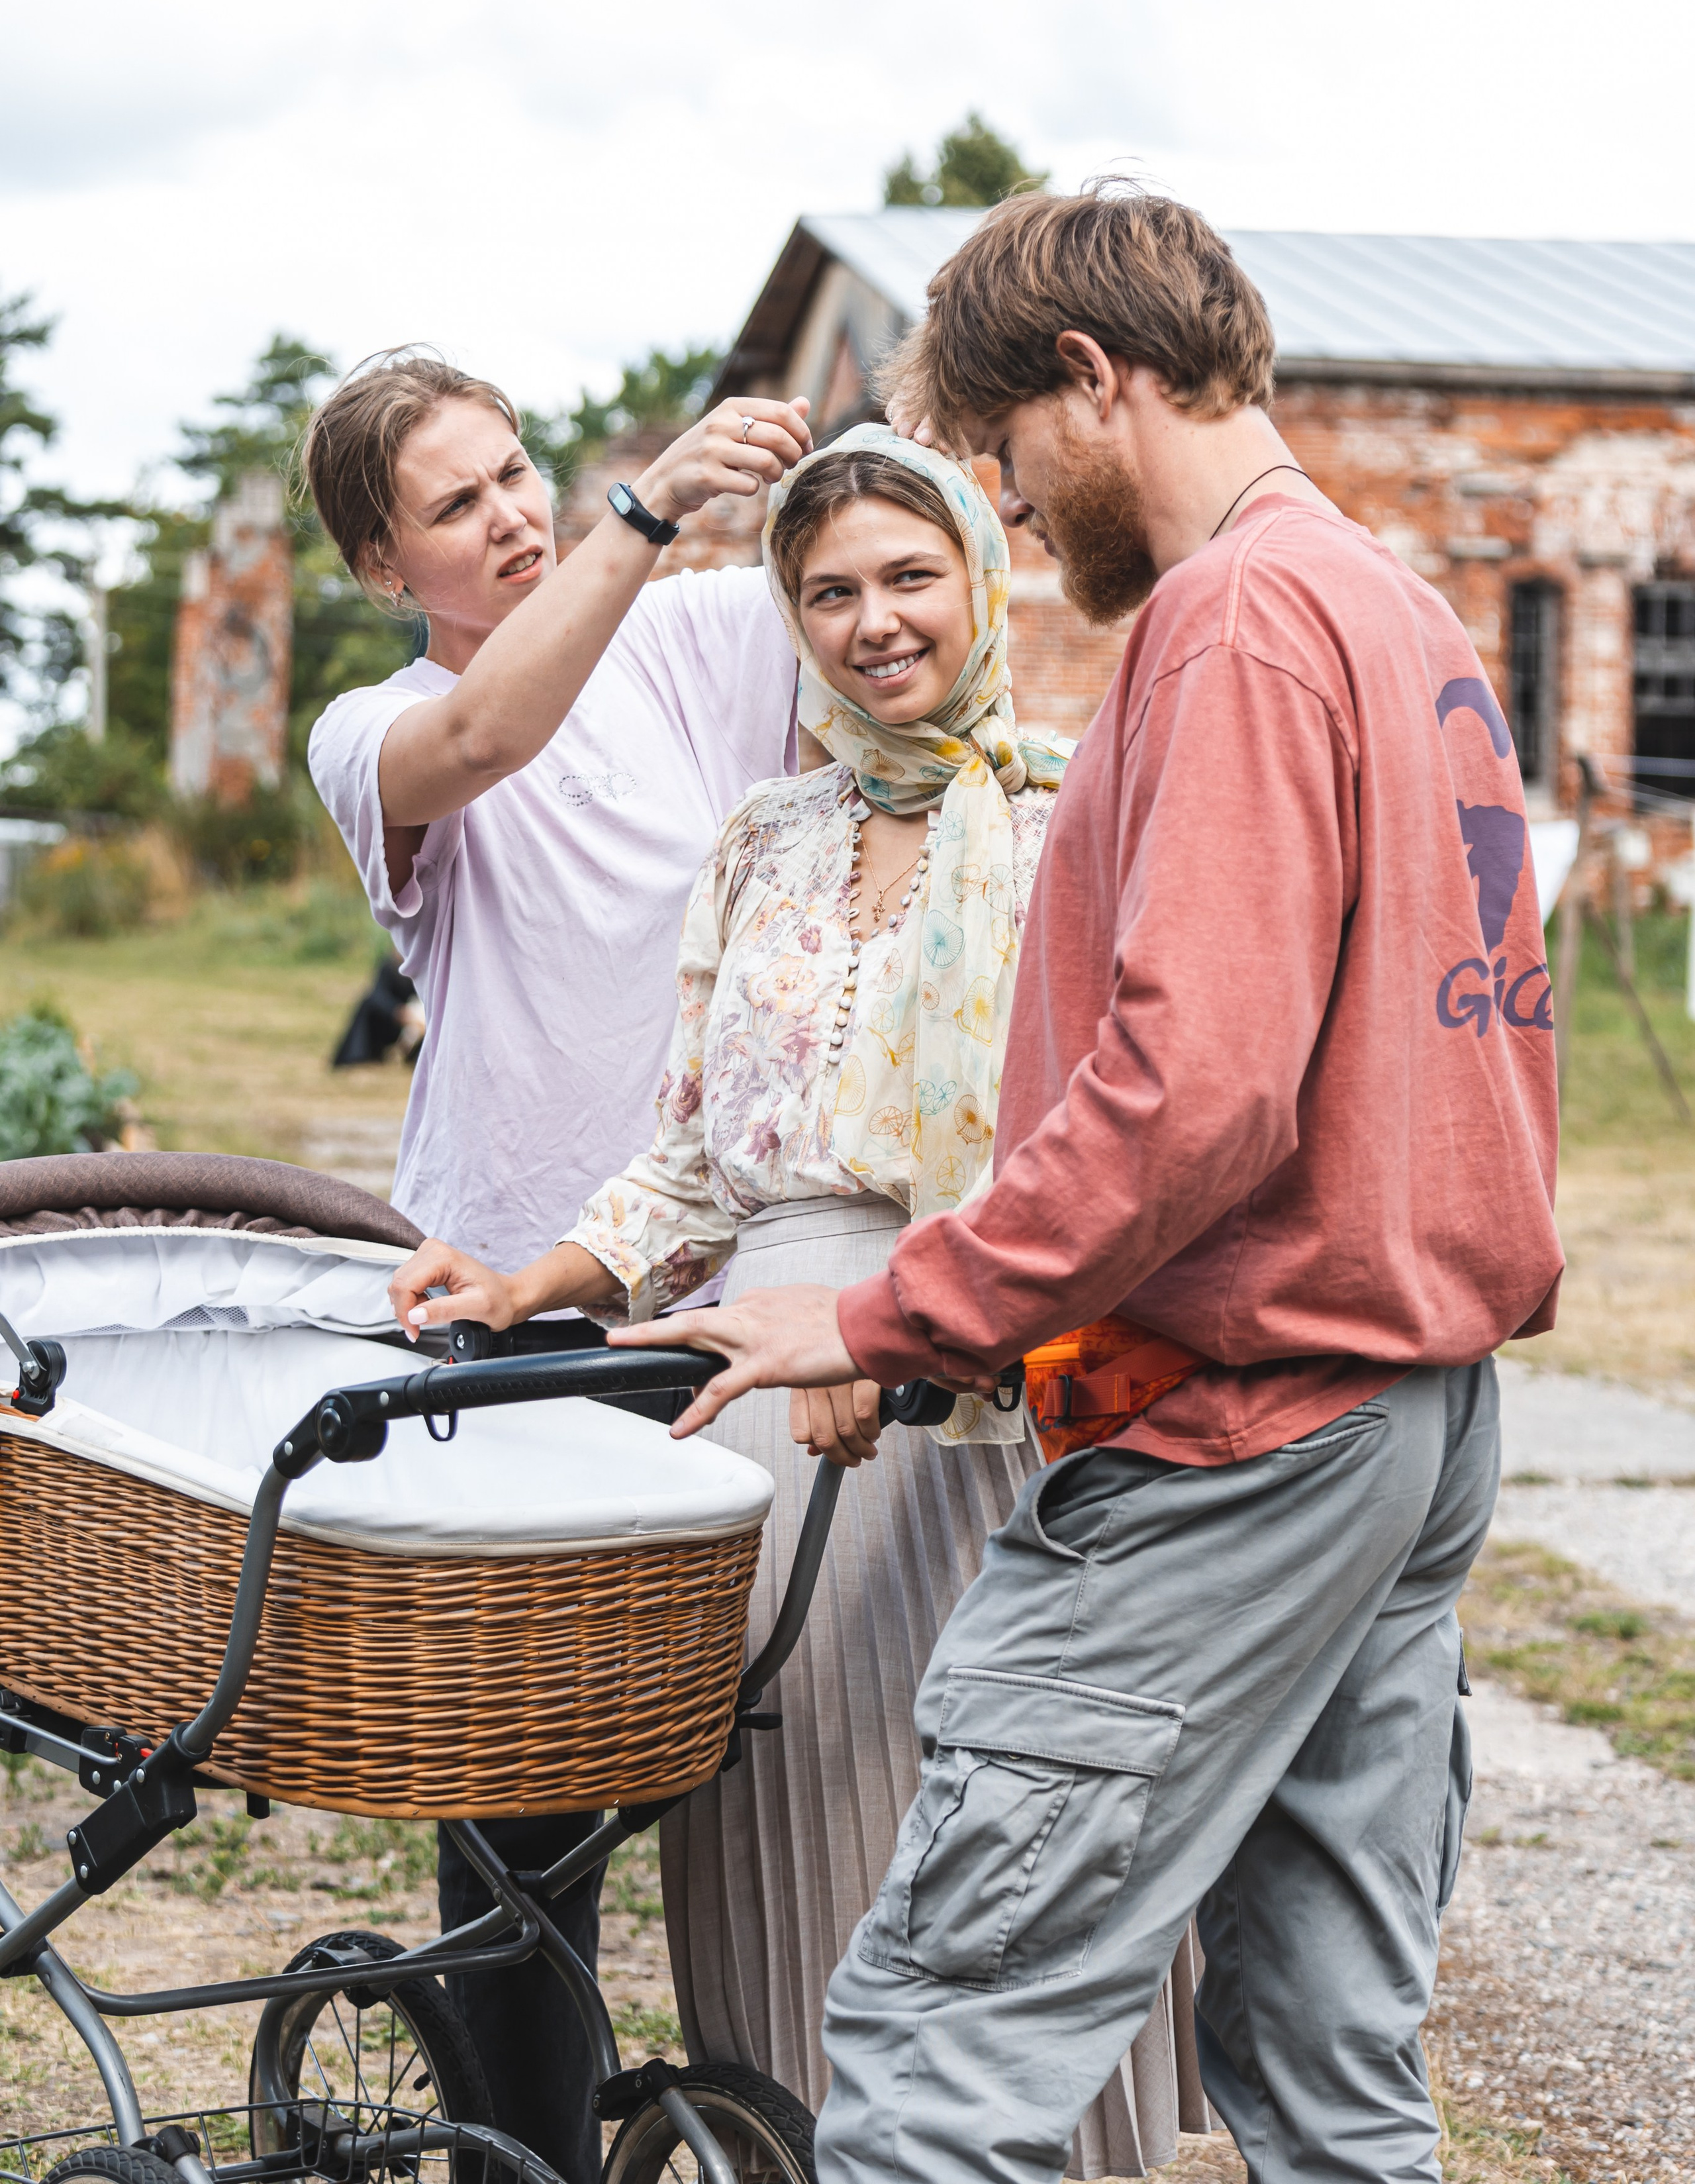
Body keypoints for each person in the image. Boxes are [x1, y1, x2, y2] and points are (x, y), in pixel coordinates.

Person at [613, 187, 1565, 2184]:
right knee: (1323, 2065)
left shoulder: (1229, 620)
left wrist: (895, 1307)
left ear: (1093, 378)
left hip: (1238, 1427)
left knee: (943, 2043)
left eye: (1015, 473)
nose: (1020, 523)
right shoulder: (1395, 610)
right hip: (1410, 1408)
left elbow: (1194, 1085)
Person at [393, 426, 1211, 2178]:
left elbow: (1111, 1150)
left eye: (909, 577)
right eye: (827, 592)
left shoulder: (1080, 814)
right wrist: (540, 1273)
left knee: (1000, 1826)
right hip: (761, 1399)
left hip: (990, 1400)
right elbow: (693, 1156)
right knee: (790, 1816)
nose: (872, 623)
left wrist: (912, 1327)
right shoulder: (763, 838)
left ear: (980, 584)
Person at [303, 351, 812, 2184]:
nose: (514, 514)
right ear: (385, 564)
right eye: (459, 503)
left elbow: (878, 592)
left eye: (518, 472)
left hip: (712, 1285)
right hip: (503, 1296)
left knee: (752, 1734)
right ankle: (515, 2152)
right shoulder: (372, 735)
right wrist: (644, 502)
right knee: (530, 1796)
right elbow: (492, 737)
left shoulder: (679, 645)